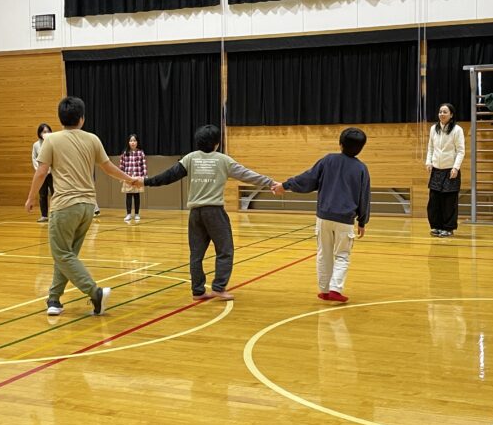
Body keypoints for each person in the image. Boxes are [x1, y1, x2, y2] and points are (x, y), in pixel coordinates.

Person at [134, 124, 274, 301]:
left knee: (196, 254)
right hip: (214, 212)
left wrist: (145, 181)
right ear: (217, 143)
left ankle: (198, 291)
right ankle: (218, 288)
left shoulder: (190, 158)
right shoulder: (224, 160)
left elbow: (167, 176)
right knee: (225, 250)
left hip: (195, 214)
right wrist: (271, 183)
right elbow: (248, 175)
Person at [25, 96, 135, 316]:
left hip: (65, 206)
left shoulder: (51, 140)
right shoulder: (92, 139)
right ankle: (54, 299)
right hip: (87, 207)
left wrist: (31, 198)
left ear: (60, 118)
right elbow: (108, 168)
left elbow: (41, 171)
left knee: (61, 254)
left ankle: (95, 293)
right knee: (67, 255)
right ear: (82, 119)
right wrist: (129, 178)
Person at [272, 128, 370, 303]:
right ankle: (335, 289)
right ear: (361, 148)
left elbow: (308, 179)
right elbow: (364, 197)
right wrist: (362, 221)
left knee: (324, 253)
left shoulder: (328, 160)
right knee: (342, 255)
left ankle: (324, 290)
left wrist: (285, 185)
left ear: (340, 144)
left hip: (323, 217)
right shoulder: (361, 168)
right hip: (345, 220)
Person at [425, 103, 465, 238]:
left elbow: (460, 151)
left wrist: (456, 167)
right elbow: (430, 147)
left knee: (449, 202)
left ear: (451, 115)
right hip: (436, 170)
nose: (442, 114)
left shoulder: (457, 130)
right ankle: (436, 226)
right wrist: (429, 162)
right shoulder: (433, 129)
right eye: (440, 112)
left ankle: (448, 228)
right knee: (434, 201)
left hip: (450, 171)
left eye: (445, 112)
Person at [119, 134, 147, 222]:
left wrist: (144, 177)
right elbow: (122, 166)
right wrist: (121, 176)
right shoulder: (125, 153)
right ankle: (128, 214)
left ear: (137, 142)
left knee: (136, 196)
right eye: (131, 141)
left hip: (137, 177)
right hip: (127, 177)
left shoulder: (140, 153)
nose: (133, 142)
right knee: (128, 195)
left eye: (134, 140)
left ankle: (137, 214)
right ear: (128, 142)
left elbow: (144, 166)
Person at [32, 123, 54, 223]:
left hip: (52, 174)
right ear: (40, 133)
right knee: (42, 194)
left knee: (55, 194)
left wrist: (50, 170)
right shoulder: (36, 145)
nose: (46, 133)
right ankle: (44, 215)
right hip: (41, 174)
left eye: (48, 131)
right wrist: (39, 170)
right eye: (44, 131)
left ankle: (54, 215)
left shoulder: (53, 143)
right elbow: (34, 158)